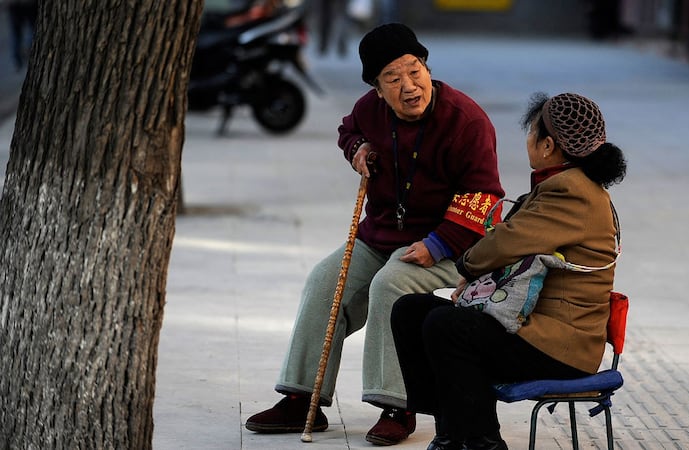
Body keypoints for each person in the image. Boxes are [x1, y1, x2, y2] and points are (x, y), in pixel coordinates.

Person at [245, 23, 505, 446]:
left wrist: (437, 244)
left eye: (414, 70)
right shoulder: (370, 110)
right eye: (393, 77)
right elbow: (348, 130)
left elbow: (484, 197)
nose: (409, 86)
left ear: (426, 67)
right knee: (324, 280)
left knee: (391, 285)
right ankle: (301, 396)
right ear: (377, 88)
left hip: (453, 243)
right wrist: (358, 149)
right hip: (382, 234)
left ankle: (398, 405)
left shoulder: (466, 120)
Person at [391, 92, 627, 450]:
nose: (528, 139)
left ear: (549, 145)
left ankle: (482, 441)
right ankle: (453, 432)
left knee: (449, 327)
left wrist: (466, 267)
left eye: (532, 132)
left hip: (560, 348)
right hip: (533, 329)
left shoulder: (573, 192)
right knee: (412, 310)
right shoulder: (559, 183)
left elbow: (506, 241)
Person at [2, 0, 37, 71]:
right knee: (32, 30)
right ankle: (27, 50)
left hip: (15, 5)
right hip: (27, 4)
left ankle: (18, 61)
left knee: (17, 34)